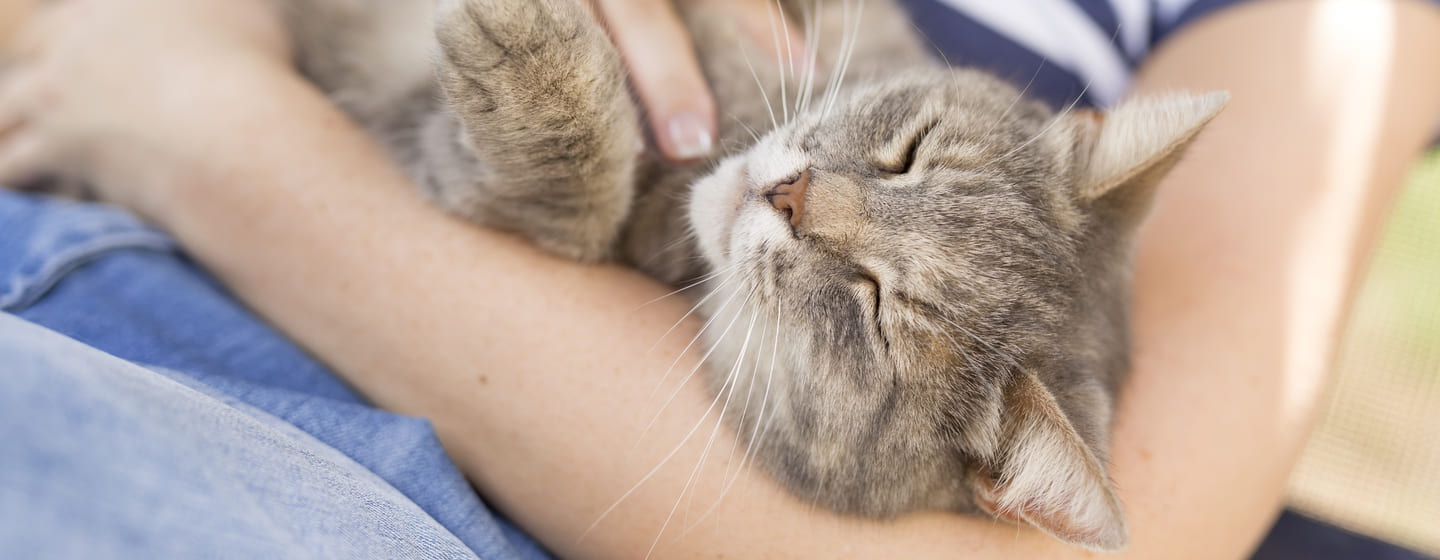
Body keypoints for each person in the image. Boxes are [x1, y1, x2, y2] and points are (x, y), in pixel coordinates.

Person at [2, 0, 1439, 558]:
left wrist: (207, 130)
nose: (811, 204)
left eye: (877, 301)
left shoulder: (1327, 33)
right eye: (914, 148)